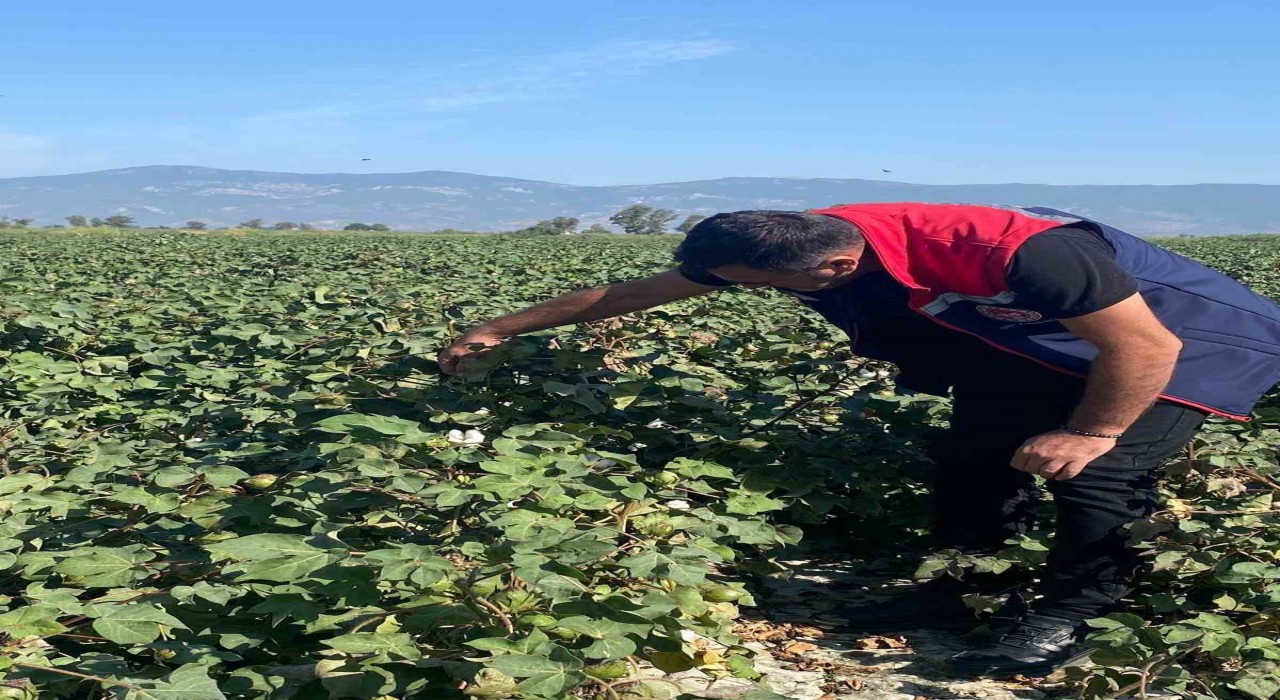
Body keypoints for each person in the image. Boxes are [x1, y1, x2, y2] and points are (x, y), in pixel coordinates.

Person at [436, 203, 1280, 678]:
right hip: (1036, 341)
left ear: (833, 268)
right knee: (972, 454)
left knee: (1096, 475)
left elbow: (1144, 347)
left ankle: (1069, 616)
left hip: (1184, 345)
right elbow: (636, 292)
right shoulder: (785, 243)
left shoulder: (1018, 253)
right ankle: (956, 587)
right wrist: (501, 326)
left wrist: (1089, 431)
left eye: (759, 289)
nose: (747, 294)